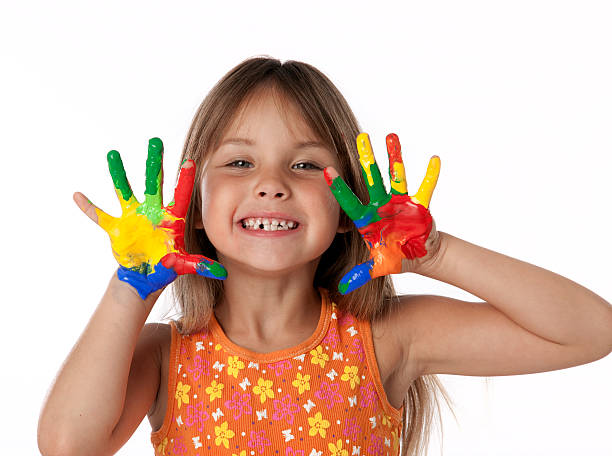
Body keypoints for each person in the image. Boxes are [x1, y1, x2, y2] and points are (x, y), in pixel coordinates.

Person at [38, 57, 612, 456]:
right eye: (239, 162)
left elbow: (588, 332)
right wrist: (128, 288)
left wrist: (433, 252)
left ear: (346, 208)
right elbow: (67, 445)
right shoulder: (166, 353)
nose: (271, 184)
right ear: (194, 205)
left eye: (306, 164)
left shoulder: (386, 337)